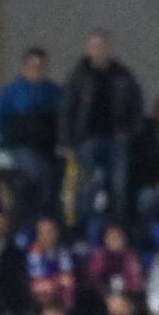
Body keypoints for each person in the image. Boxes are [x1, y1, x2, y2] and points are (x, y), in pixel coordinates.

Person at [60, 31, 144, 222]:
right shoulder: (77, 76)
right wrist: (67, 142)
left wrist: (130, 131)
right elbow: (67, 110)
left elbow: (136, 105)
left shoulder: (123, 75)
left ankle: (117, 229)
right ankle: (86, 229)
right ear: (89, 49)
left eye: (103, 46)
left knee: (118, 185)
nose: (99, 51)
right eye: (95, 47)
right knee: (86, 187)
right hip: (87, 139)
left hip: (117, 137)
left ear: (110, 49)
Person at [0, 48, 62, 219]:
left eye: (41, 65)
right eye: (33, 65)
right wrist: (9, 137)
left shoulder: (54, 91)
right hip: (21, 146)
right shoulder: (12, 91)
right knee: (37, 172)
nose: (37, 69)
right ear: (25, 67)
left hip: (47, 148)